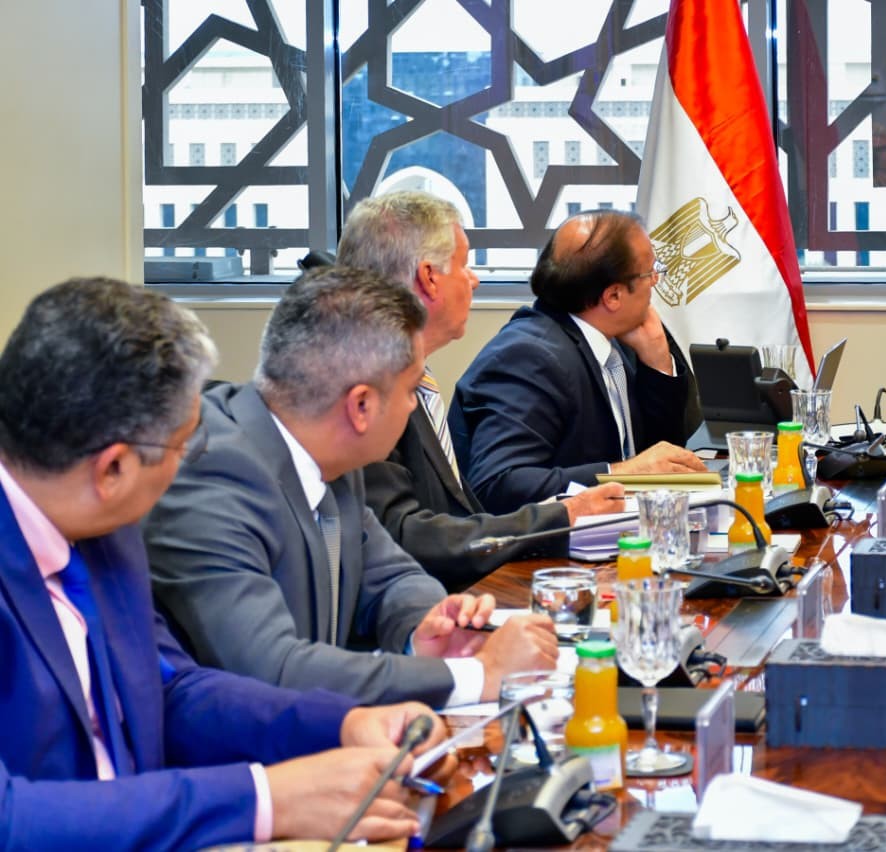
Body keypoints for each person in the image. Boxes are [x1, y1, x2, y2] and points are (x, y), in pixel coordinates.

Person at [0, 277, 454, 848]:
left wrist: (343, 723)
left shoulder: (103, 533)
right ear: (112, 469)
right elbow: (11, 817)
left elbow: (172, 691)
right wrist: (268, 799)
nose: (192, 458)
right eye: (183, 444)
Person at [145, 267, 558, 709]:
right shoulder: (210, 477)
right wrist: (478, 675)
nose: (414, 407)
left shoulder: (326, 449)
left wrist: (425, 624)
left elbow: (392, 575)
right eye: (411, 390)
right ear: (361, 406)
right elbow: (273, 669)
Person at [336, 191, 626, 591]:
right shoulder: (363, 384)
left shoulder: (405, 372)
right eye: (464, 264)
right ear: (429, 277)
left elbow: (451, 517)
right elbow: (402, 536)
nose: (473, 279)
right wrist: (563, 517)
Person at [448, 209, 707, 514]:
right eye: (650, 272)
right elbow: (498, 485)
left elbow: (660, 460)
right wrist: (622, 474)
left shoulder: (611, 340)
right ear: (613, 297)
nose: (655, 281)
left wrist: (657, 363)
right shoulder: (529, 357)